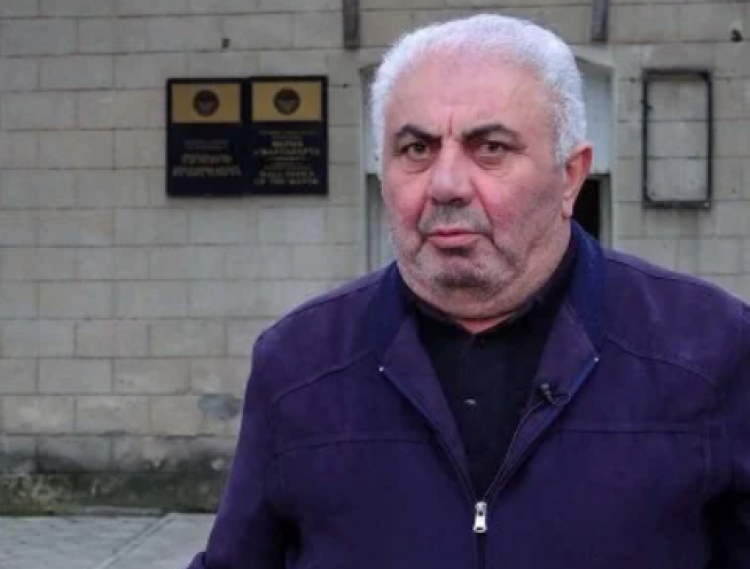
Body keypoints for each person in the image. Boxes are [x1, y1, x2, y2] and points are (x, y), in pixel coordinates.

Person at [186, 13, 750, 569]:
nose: (446, 185)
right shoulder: (298, 363)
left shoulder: (708, 349)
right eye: (417, 149)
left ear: (571, 177)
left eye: (491, 148)